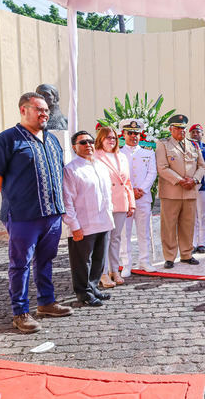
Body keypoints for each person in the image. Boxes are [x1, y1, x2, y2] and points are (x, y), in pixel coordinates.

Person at [0, 92, 73, 333]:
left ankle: (46, 302)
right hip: (23, 215)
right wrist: (15, 194)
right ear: (23, 110)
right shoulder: (7, 140)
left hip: (52, 214)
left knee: (45, 259)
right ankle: (20, 312)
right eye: (39, 109)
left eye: (46, 110)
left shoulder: (51, 140)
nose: (45, 114)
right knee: (20, 264)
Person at [63, 130, 115, 307]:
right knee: (82, 261)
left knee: (99, 259)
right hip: (84, 224)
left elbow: (107, 194)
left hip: (103, 221)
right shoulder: (71, 169)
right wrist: (74, 225)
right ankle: (83, 292)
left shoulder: (100, 165)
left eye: (90, 141)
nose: (88, 145)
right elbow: (67, 201)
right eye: (83, 143)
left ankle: (93, 287)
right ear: (74, 147)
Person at [156, 114, 205, 269]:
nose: (181, 131)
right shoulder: (163, 145)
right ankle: (169, 257)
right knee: (169, 226)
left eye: (183, 128)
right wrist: (180, 180)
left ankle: (186, 254)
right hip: (171, 192)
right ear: (171, 129)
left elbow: (201, 166)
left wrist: (195, 180)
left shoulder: (193, 145)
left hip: (190, 191)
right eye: (178, 128)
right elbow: (162, 167)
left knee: (188, 225)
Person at [94, 126, 135, 287]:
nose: (111, 140)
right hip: (104, 202)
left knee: (116, 238)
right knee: (104, 239)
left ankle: (114, 270)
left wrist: (131, 203)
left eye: (113, 138)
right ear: (100, 139)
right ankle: (102, 273)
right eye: (107, 137)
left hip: (121, 201)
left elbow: (128, 182)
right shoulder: (95, 156)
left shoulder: (121, 156)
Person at [119, 119, 158, 277]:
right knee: (125, 233)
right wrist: (130, 192)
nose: (133, 136)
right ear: (124, 134)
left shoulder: (148, 152)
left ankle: (144, 261)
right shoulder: (119, 153)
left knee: (144, 232)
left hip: (142, 197)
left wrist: (141, 189)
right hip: (125, 199)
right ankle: (126, 264)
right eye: (130, 133)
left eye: (136, 133)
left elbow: (152, 173)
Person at [189, 123, 205, 253]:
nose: (195, 134)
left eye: (198, 132)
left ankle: (201, 243)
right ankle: (192, 243)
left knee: (202, 215)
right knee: (191, 216)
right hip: (189, 187)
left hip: (203, 186)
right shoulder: (185, 148)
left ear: (202, 134)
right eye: (193, 132)